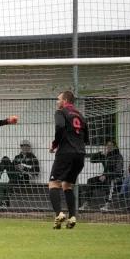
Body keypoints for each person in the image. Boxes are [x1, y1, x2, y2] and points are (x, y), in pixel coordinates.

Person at [48, 91, 89, 229]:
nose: (57, 102)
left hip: (66, 153)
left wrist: (55, 144)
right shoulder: (82, 117)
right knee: (67, 185)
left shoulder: (60, 112)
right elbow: (86, 138)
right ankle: (72, 216)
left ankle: (59, 214)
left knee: (54, 183)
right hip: (80, 155)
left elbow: (59, 127)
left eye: (58, 99)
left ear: (65, 100)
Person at [80, 140, 123, 211]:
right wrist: (100, 153)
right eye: (107, 145)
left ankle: (107, 205)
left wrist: (106, 176)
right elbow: (92, 160)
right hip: (105, 177)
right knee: (91, 181)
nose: (109, 147)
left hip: (115, 177)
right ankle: (86, 204)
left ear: (115, 146)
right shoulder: (106, 156)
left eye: (111, 145)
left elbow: (118, 171)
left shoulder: (118, 156)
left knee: (110, 181)